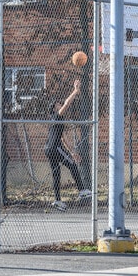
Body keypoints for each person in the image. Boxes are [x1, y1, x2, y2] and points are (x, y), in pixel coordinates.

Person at [44, 79, 91, 211]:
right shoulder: (57, 115)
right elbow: (67, 103)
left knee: (56, 174)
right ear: (55, 108)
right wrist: (75, 91)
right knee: (72, 164)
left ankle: (57, 200)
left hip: (49, 148)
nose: (61, 105)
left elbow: (64, 138)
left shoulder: (56, 121)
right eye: (58, 104)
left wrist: (72, 152)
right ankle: (82, 191)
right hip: (54, 148)